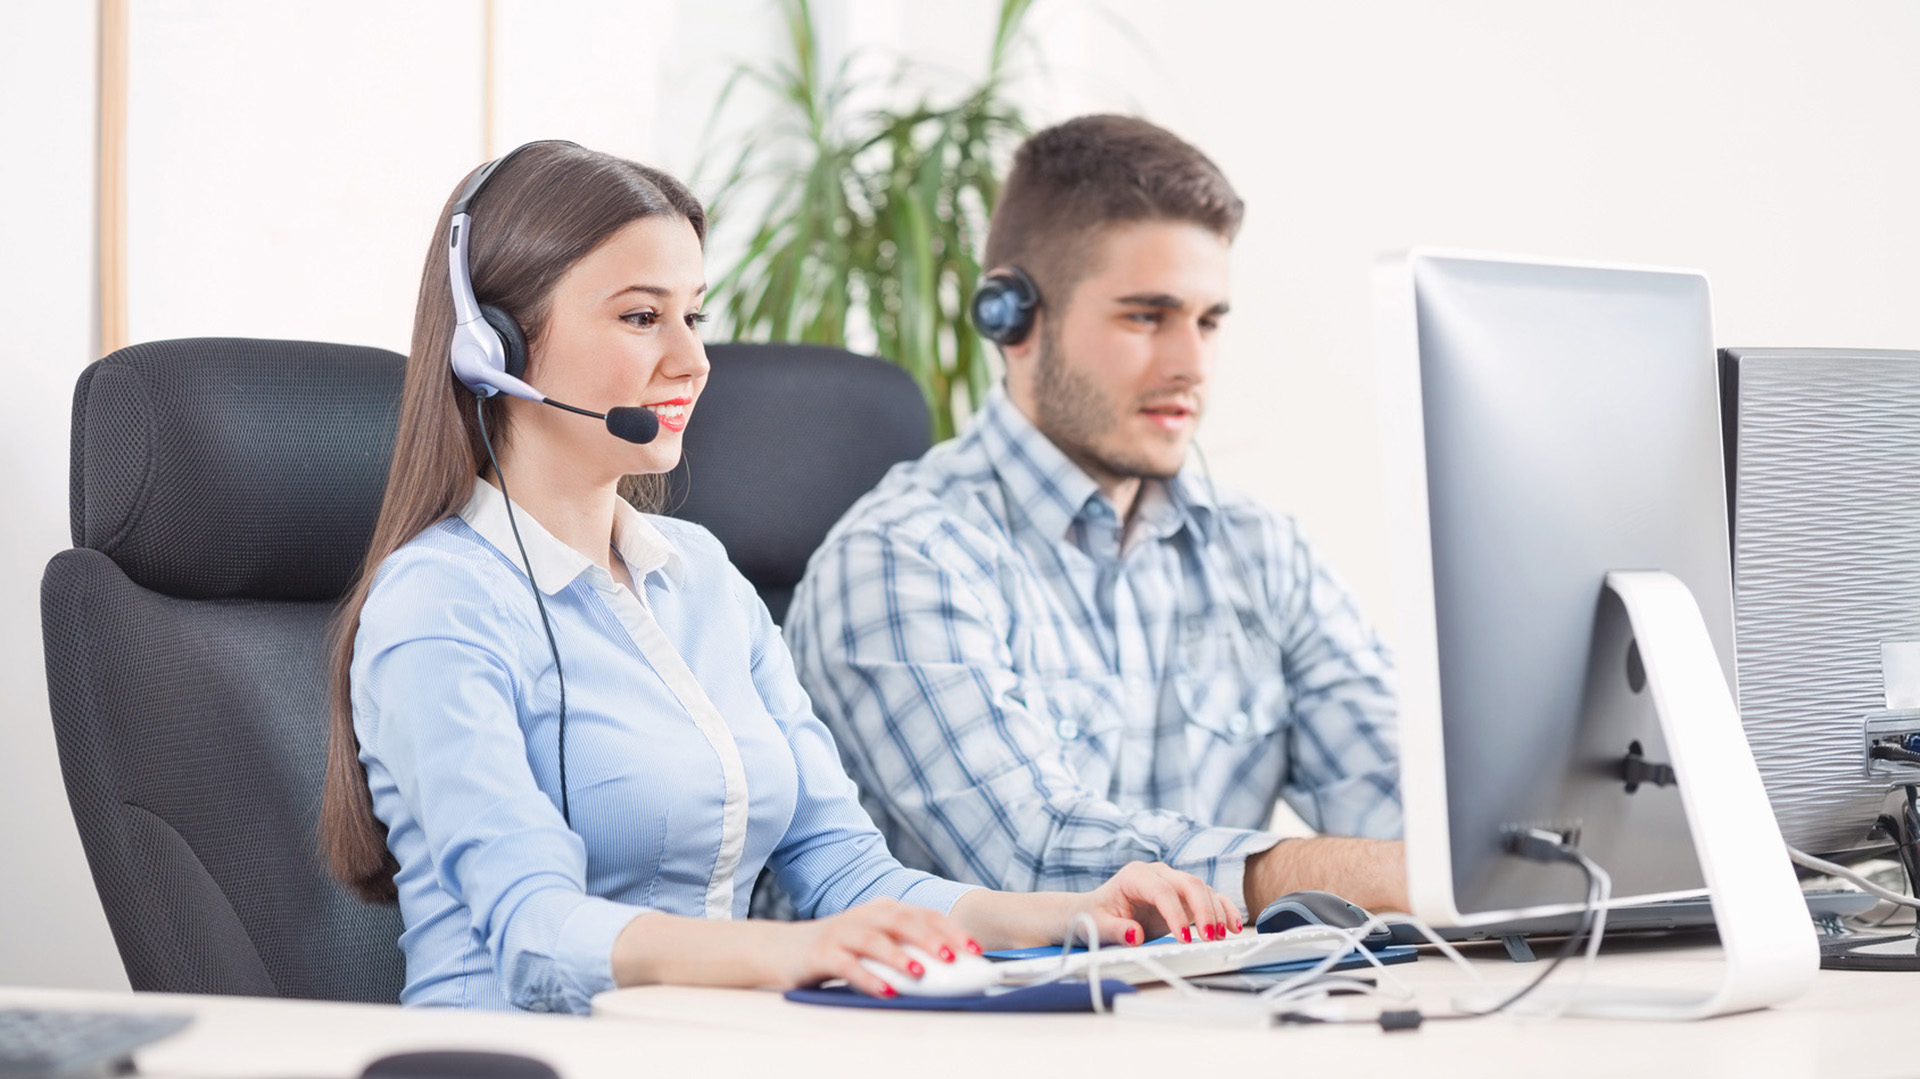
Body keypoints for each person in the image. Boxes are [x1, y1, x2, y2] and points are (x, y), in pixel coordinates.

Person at [319, 140, 1240, 1015]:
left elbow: (851, 875)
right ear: (497, 348)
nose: (692, 359)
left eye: (694, 314)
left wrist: (1083, 916)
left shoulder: (706, 581)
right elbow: (536, 932)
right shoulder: (440, 604)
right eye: (643, 316)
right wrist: (792, 953)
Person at [784, 115, 1407, 924]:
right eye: (1147, 316)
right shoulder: (901, 558)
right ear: (1012, 318)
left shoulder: (1262, 553)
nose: (1191, 363)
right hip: (972, 1039)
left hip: (1206, 1021)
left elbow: (1404, 802)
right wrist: (1339, 874)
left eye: (1209, 320)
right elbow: (1033, 856)